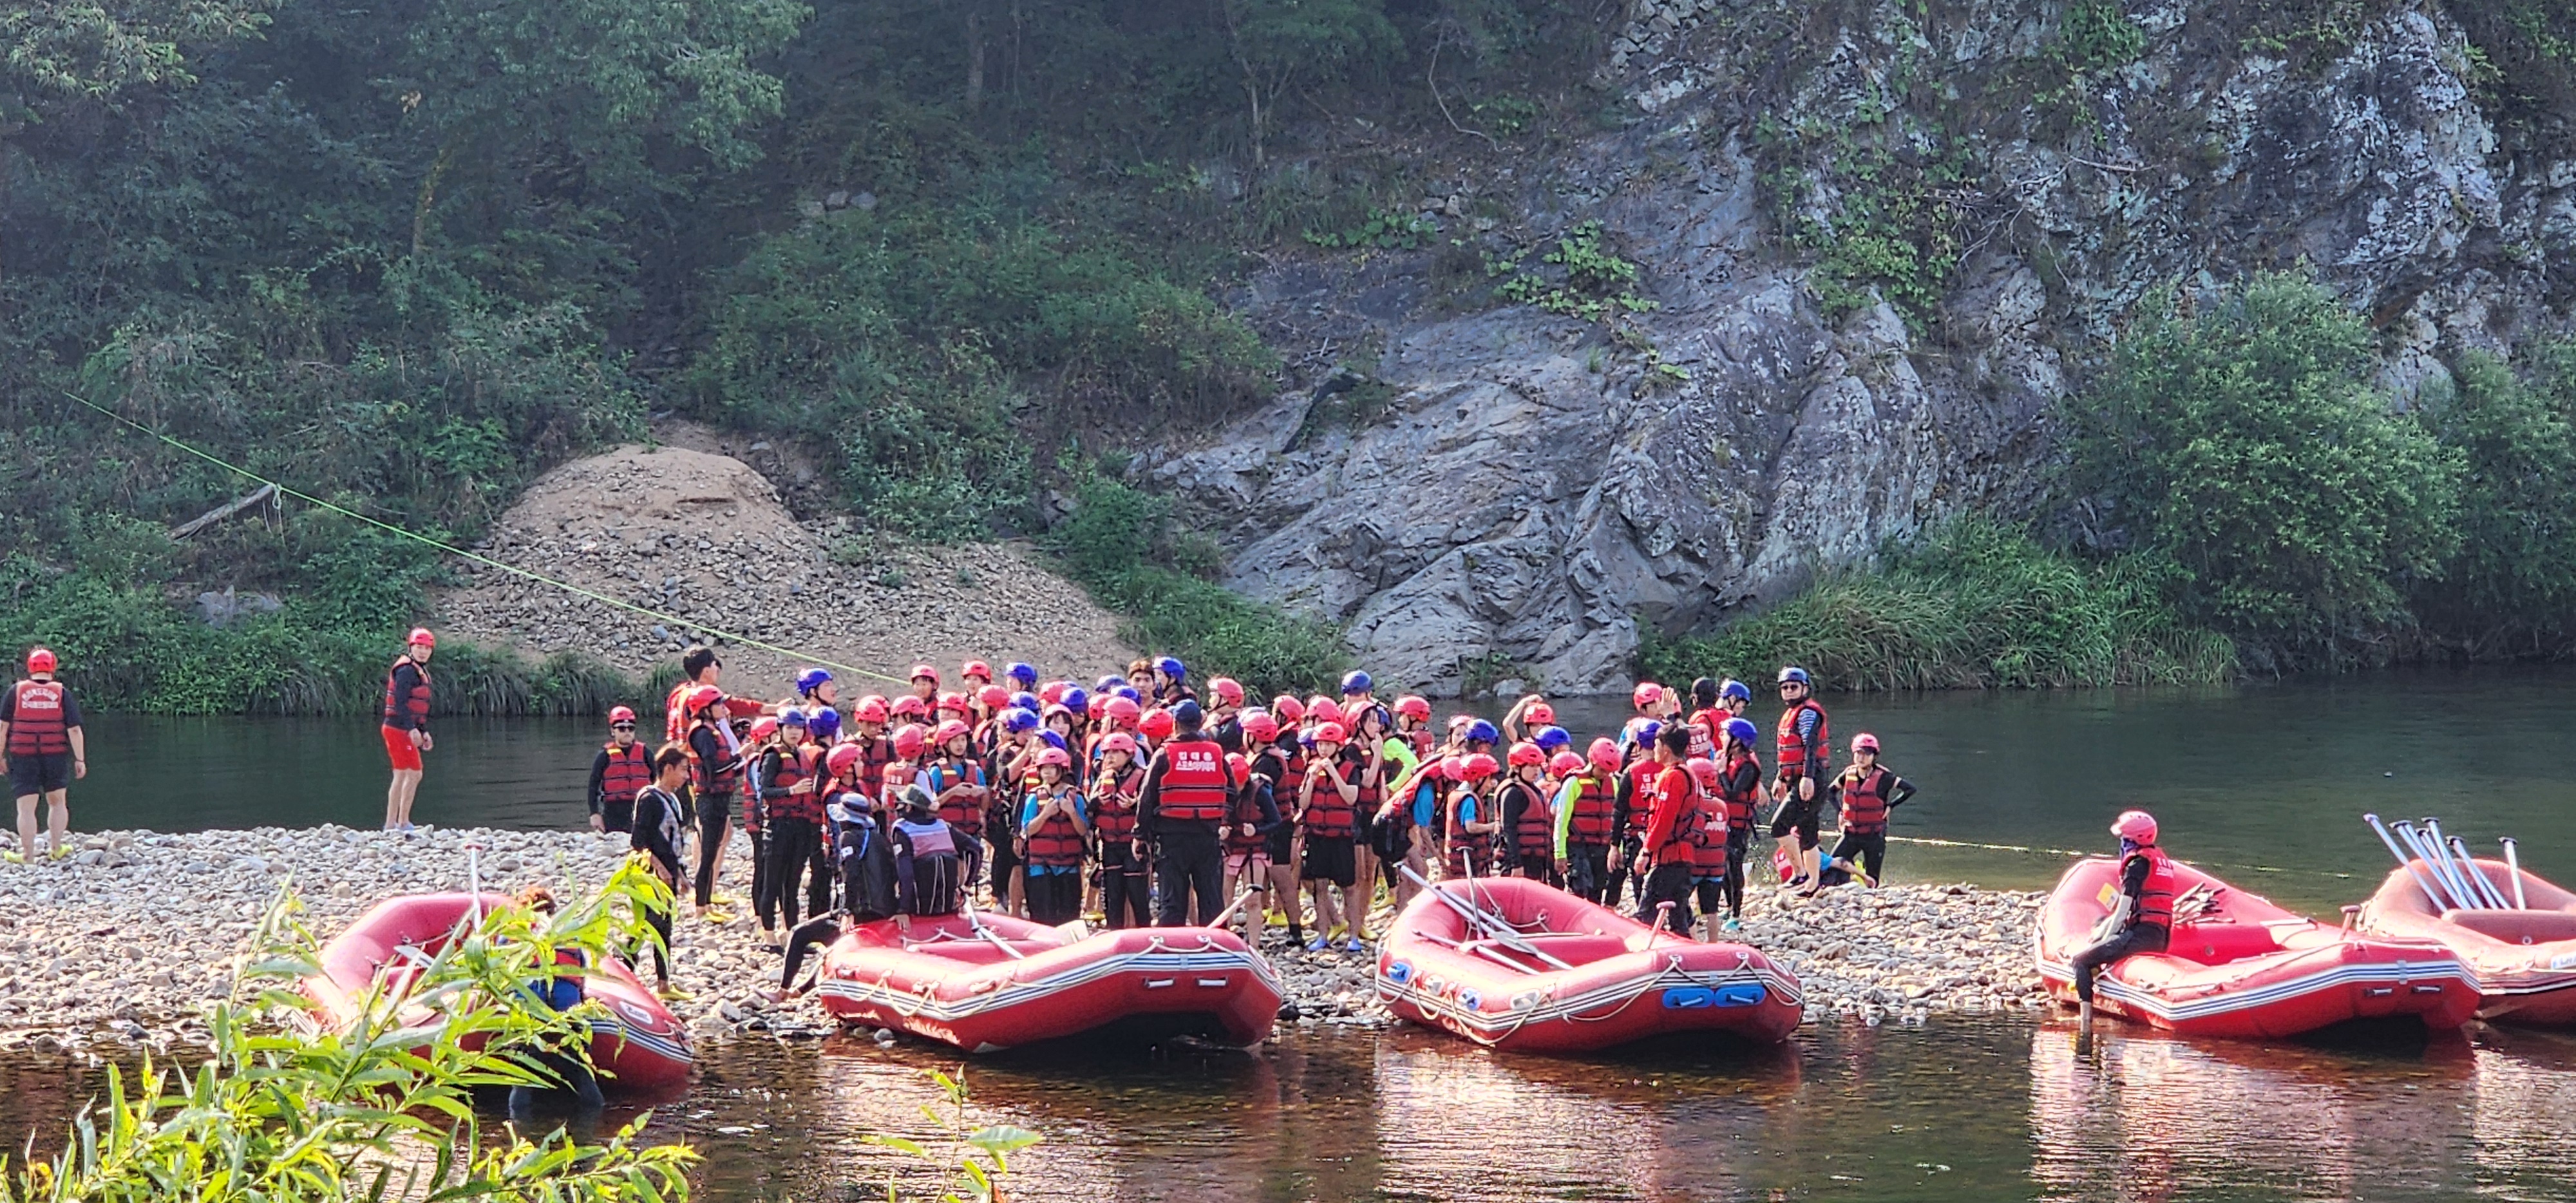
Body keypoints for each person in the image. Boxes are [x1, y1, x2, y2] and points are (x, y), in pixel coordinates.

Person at [773, 790, 902, 1004]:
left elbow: (851, 876)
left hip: (863, 912)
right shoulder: (881, 839)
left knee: (799, 933)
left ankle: (783, 990)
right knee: (832, 941)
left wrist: (848, 912)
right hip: (884, 910)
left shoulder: (848, 838)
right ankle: (801, 989)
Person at [504, 886, 606, 1120]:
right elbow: (579, 975)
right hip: (566, 1007)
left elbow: (502, 976)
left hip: (529, 1008)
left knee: (523, 1076)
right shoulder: (567, 934)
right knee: (582, 1071)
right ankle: (595, 1123)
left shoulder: (511, 934)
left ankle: (520, 1131)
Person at [2073, 811, 2176, 1027]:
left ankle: (2084, 1023)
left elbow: (2122, 913)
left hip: (2141, 937)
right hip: (2160, 935)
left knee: (2081, 962)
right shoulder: (2159, 861)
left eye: (2125, 838)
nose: (2122, 842)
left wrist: (2100, 943)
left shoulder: (2136, 866)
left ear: (2135, 839)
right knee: (2100, 922)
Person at [1137, 700, 1229, 925]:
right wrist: (1227, 823)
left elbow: (1147, 797)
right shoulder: (1216, 753)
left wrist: (1140, 835)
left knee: (1172, 901)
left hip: (1172, 836)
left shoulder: (1164, 754)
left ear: (1175, 724)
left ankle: (1170, 950)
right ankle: (1216, 950)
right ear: (1200, 724)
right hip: (1208, 834)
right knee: (1212, 899)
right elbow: (1231, 791)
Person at [3, 649, 86, 863]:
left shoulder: (16, 691)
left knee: (26, 807)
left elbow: (3, 727)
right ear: (53, 667)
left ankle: (28, 856)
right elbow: (74, 729)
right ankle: (56, 848)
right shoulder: (62, 693)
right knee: (57, 803)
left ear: (30, 667)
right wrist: (80, 759)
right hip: (55, 755)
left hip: (23, 756)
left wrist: (0, 755)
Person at [759, 710, 832, 942]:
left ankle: (791, 933)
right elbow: (765, 791)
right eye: (789, 727)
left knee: (792, 882)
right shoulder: (773, 756)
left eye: (798, 728)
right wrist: (791, 791)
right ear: (780, 729)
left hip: (800, 824)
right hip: (779, 825)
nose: (794, 732)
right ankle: (768, 935)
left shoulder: (802, 755)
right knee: (773, 881)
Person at [627, 744, 691, 998]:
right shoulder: (649, 799)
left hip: (669, 875)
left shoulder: (672, 799)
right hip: (649, 876)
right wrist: (662, 869)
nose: (687, 776)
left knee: (665, 928)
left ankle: (663, 984)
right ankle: (625, 972)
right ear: (668, 769)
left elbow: (673, 842)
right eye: (684, 770)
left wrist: (681, 875)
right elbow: (639, 842)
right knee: (647, 926)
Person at [1818, 734, 1915, 891]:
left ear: (1874, 756)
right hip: (1851, 833)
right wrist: (1841, 812)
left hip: (1874, 836)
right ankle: (1844, 888)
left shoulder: (1884, 777)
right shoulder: (1848, 774)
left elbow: (1910, 789)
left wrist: (1891, 805)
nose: (1862, 758)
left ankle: (1869, 899)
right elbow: (1830, 792)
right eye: (1859, 753)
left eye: (1867, 754)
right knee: (1833, 866)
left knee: (1873, 881)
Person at [1297, 721, 1364, 951]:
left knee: (1349, 887)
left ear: (1338, 745)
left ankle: (1354, 937)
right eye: (1320, 744)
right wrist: (1312, 780)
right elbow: (1303, 804)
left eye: (1328, 744)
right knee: (1320, 885)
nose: (1323, 749)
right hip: (1317, 836)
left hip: (1342, 837)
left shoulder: (1351, 769)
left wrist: (1333, 773)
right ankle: (1322, 936)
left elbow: (1351, 798)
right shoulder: (1312, 769)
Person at [680, 686, 745, 918]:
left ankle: (706, 903)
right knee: (708, 853)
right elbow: (714, 769)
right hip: (709, 799)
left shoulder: (711, 729)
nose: (725, 709)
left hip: (719, 797)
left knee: (714, 848)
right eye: (719, 704)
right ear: (705, 709)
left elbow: (727, 768)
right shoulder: (703, 734)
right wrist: (741, 754)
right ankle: (701, 907)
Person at [1634, 726, 1701, 936]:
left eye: (1656, 745)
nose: (1653, 749)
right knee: (1677, 916)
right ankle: (1686, 958)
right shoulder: (1687, 773)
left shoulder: (1673, 777)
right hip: (1682, 858)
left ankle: (1636, 957)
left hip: (1670, 859)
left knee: (1646, 914)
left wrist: (1646, 852)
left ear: (1665, 749)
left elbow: (1663, 819)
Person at [1768, 666, 1831, 891]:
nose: (1789, 691)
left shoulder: (1807, 713)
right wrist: (1780, 778)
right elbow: (1787, 752)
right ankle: (1813, 884)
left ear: (1805, 688)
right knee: (1807, 831)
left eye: (1794, 687)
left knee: (1779, 825)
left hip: (1812, 777)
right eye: (1784, 688)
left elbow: (1810, 747)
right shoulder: (1791, 714)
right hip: (1798, 778)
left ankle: (1800, 874)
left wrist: (1807, 777)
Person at [891, 786, 984, 927]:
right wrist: (965, 886)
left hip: (919, 908)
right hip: (948, 906)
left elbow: (906, 873)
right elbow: (977, 850)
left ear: (909, 808)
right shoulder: (944, 826)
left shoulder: (903, 830)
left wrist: (902, 909)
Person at [1016, 747, 1090, 925]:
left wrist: (1071, 813)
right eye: (1044, 768)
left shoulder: (1075, 797)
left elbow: (1083, 831)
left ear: (1062, 770)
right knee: (1043, 917)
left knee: (1069, 917)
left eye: (1052, 768)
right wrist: (1046, 814)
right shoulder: (1035, 797)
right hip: (1041, 866)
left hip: (1068, 866)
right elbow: (1028, 830)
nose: (1047, 772)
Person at [1088, 733, 1151, 929]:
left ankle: (1144, 935)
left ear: (1129, 754)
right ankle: (1114, 934)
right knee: (1113, 896)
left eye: (1116, 752)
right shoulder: (1103, 778)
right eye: (1107, 753)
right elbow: (1089, 809)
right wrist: (1098, 802)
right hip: (1109, 845)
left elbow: (1150, 808)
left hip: (1133, 845)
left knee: (1137, 896)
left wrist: (1135, 806)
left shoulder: (1142, 776)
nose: (1111, 757)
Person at [1221, 750, 1284, 945]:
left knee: (1253, 900)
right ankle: (1224, 943)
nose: (1237, 789)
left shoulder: (1260, 792)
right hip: (1230, 849)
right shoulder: (1221, 791)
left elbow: (1276, 821)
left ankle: (1254, 945)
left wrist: (1257, 828)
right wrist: (1220, 830)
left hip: (1254, 850)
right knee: (1225, 898)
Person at [1709, 718, 1765, 930]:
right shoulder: (1728, 758)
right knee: (1722, 866)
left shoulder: (1748, 767)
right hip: (1724, 821)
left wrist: (1722, 772)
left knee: (1734, 866)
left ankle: (1736, 913)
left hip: (1739, 825)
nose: (1721, 737)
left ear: (1738, 741)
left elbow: (1732, 793)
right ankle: (1729, 905)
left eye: (1725, 734)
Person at [379, 629, 435, 831]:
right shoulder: (406, 671)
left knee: (403, 774)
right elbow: (401, 703)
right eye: (419, 647)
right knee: (413, 774)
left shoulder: (418, 670)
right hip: (398, 728)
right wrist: (412, 729)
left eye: (427, 648)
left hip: (402, 727)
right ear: (411, 647)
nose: (423, 651)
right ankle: (399, 823)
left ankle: (393, 823)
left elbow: (415, 707)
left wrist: (423, 730)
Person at [1553, 743, 1619, 902]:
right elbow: (1561, 820)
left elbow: (1615, 819)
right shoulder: (1574, 783)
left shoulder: (1614, 783)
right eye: (1602, 770)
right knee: (1579, 889)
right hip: (1578, 848)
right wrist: (1560, 854)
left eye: (1608, 771)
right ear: (1592, 762)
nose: (1605, 774)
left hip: (1602, 848)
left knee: (1597, 892)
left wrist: (1618, 848)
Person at [1497, 743, 1557, 884]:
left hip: (1536, 859)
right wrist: (1516, 864)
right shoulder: (1512, 792)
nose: (1536, 771)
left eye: (1538, 766)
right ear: (1517, 767)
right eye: (1531, 766)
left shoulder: (1535, 790)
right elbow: (1509, 829)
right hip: (1521, 859)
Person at [587, 706, 650, 835]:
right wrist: (594, 813)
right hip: (614, 814)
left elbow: (658, 782)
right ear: (613, 731)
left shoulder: (646, 753)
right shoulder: (604, 755)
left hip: (642, 810)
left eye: (631, 728)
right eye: (621, 728)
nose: (627, 732)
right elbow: (593, 786)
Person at [1444, 753, 1500, 878]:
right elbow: (1470, 827)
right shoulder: (1468, 799)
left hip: (1461, 861)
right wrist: (1493, 826)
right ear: (1478, 778)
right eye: (1489, 779)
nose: (1491, 784)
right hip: (1467, 861)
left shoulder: (1458, 794)